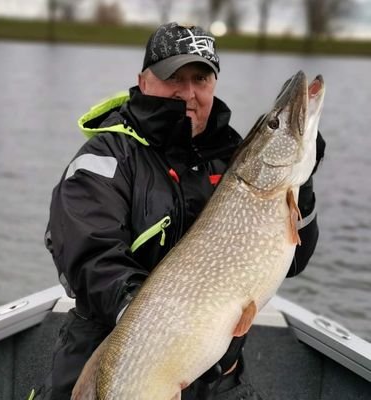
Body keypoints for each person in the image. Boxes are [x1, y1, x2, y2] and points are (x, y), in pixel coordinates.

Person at [36, 22, 325, 400]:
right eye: (174, 77)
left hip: (218, 378)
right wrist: (154, 330)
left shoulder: (232, 160)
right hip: (118, 361)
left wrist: (301, 189)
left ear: (214, 84)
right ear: (143, 80)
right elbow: (90, 256)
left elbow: (293, 259)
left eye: (201, 79)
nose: (188, 93)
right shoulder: (106, 159)